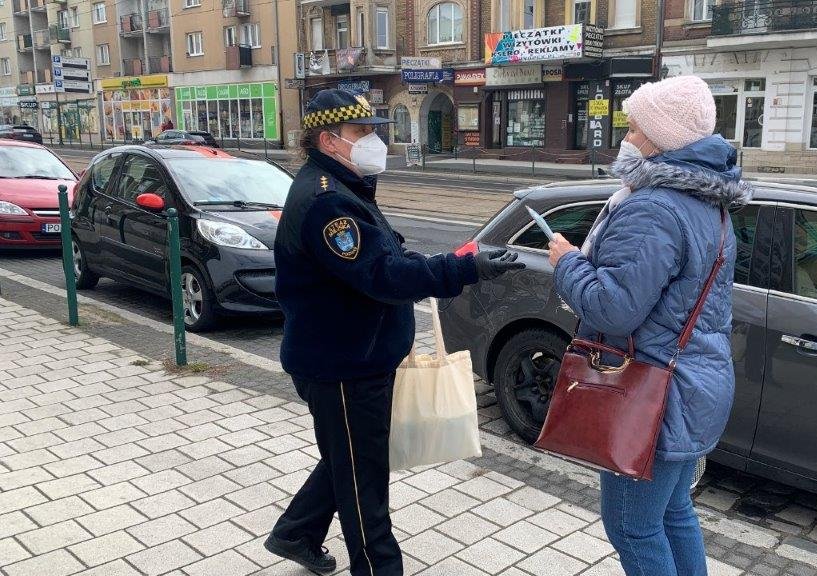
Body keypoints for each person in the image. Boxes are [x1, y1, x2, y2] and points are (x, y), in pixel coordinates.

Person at [265, 89, 524, 576]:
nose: (375, 140)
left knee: (353, 456)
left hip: (356, 357)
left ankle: (295, 533)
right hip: (343, 368)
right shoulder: (328, 203)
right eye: (363, 132)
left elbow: (387, 261)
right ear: (330, 139)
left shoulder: (347, 187)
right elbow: (383, 275)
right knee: (364, 483)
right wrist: (464, 268)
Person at [547, 76, 752, 576]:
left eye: (635, 130)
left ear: (661, 138)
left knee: (632, 527)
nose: (628, 140)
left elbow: (614, 309)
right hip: (694, 384)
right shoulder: (708, 203)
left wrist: (567, 262)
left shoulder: (654, 208)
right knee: (674, 511)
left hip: (653, 396)